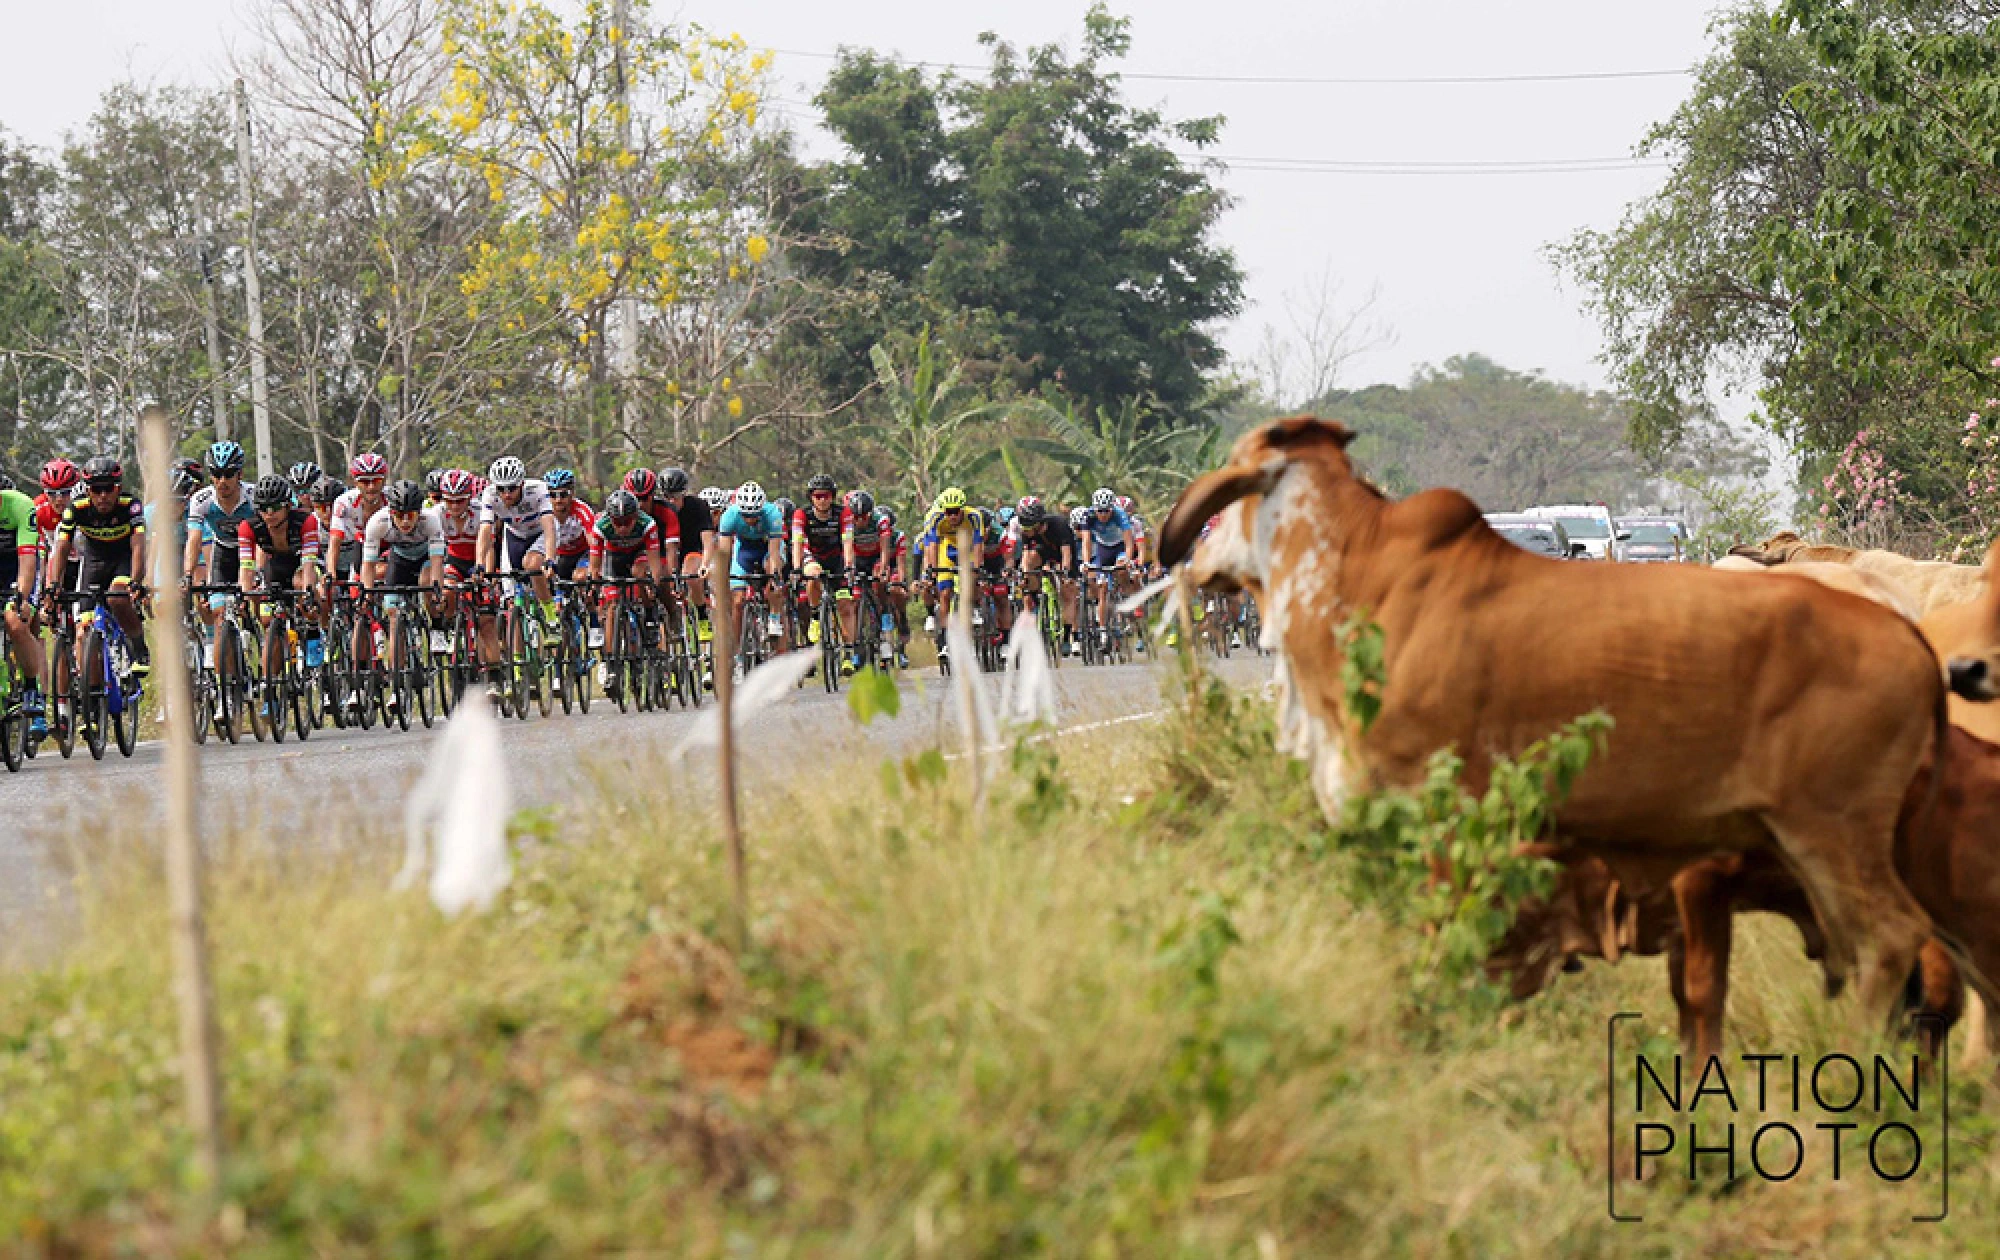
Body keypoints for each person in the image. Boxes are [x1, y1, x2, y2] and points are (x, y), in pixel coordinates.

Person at [43, 456, 150, 725]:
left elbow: (138, 546)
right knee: (83, 631)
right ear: (87, 489)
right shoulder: (76, 508)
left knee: (117, 597)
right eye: (95, 490)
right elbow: (62, 548)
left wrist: (136, 580)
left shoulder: (131, 505)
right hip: (94, 563)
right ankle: (93, 698)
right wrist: (53, 585)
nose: (102, 496)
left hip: (123, 559)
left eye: (108, 489)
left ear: (118, 487)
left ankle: (138, 647)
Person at [359, 478, 444, 716]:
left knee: (427, 583)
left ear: (419, 512)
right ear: (391, 512)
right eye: (400, 515)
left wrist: (436, 591)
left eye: (411, 515)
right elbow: (368, 565)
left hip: (426, 557)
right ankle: (397, 685)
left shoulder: (431, 520)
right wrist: (366, 592)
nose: (405, 521)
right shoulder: (378, 522)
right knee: (394, 618)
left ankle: (436, 628)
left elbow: (437, 563)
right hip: (400, 560)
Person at [239, 474, 324, 695]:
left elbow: (308, 565)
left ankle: (313, 631)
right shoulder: (249, 527)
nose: (269, 514)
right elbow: (246, 568)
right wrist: (244, 596)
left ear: (287, 506)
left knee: (304, 589)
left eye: (275, 508)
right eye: (264, 508)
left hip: (303, 564)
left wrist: (308, 593)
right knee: (268, 621)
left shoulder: (306, 521)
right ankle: (270, 684)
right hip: (275, 566)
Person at [585, 489, 663, 699]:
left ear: (635, 517)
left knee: (640, 576)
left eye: (626, 522)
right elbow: (595, 568)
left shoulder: (647, 524)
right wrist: (594, 586)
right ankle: (611, 662)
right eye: (617, 523)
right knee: (611, 606)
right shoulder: (601, 527)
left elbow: (655, 565)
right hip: (613, 557)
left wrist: (653, 586)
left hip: (638, 555)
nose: (621, 527)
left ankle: (648, 617)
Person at [474, 456, 561, 625]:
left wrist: (550, 559)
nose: (506, 494)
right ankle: (517, 651)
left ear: (521, 484)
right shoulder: (490, 494)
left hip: (540, 532)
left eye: (512, 488)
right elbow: (485, 530)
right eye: (501, 489)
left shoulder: (538, 489)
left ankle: (550, 615)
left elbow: (549, 526)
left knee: (532, 564)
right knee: (513, 601)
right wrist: (479, 563)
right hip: (515, 534)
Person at [715, 480, 786, 669]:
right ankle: (738, 655)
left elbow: (774, 552)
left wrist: (773, 577)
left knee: (773, 577)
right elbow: (725, 553)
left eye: (754, 515)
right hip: (744, 551)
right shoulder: (729, 515)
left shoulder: (772, 514)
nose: (750, 519)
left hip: (767, 549)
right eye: (746, 515)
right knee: (737, 601)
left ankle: (774, 617)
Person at [792, 472, 857, 673]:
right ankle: (815, 617)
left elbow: (848, 542)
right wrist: (795, 569)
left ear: (832, 496)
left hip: (836, 558)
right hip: (812, 556)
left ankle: (848, 654)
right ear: (811, 497)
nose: (822, 500)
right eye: (817, 496)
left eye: (826, 496)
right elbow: (797, 543)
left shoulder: (843, 513)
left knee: (845, 606)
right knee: (813, 574)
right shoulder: (801, 515)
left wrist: (848, 566)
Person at [917, 486, 986, 668]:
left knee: (971, 581)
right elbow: (932, 545)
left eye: (956, 512)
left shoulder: (974, 516)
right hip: (946, 551)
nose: (952, 516)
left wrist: (977, 569)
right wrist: (932, 570)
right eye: (949, 512)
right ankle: (946, 640)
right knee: (945, 594)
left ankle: (974, 608)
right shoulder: (936, 518)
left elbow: (979, 545)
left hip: (967, 549)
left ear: (962, 509)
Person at [0, 474, 45, 732]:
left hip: (18, 569)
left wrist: (21, 598)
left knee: (15, 622)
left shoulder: (20, 505)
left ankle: (31, 690)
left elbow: (28, 562)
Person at [1008, 496, 1079, 652]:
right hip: (1043, 552)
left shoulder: (1059, 524)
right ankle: (1035, 598)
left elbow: (1066, 553)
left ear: (1039, 523)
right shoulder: (1026, 530)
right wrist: (1024, 573)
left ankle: (1067, 636)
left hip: (1063, 552)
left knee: (1068, 592)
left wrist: (1065, 571)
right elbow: (1026, 553)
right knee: (1030, 562)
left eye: (1029, 527)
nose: (1026, 530)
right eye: (1024, 526)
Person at [1080, 487, 1138, 649]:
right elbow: (1086, 542)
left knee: (1121, 569)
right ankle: (1103, 629)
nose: (1103, 515)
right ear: (1095, 509)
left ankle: (1127, 599)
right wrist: (1085, 562)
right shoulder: (1088, 516)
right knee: (1102, 588)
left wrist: (1127, 559)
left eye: (1107, 511)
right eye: (1100, 511)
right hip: (1103, 550)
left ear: (1112, 508)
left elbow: (1128, 542)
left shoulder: (1120, 514)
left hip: (1119, 548)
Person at [545, 467, 597, 582]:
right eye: (553, 495)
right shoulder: (544, 513)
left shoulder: (582, 510)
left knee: (580, 577)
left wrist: (594, 570)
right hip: (560, 555)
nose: (558, 500)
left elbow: (593, 544)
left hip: (583, 553)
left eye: (563, 494)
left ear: (572, 493)